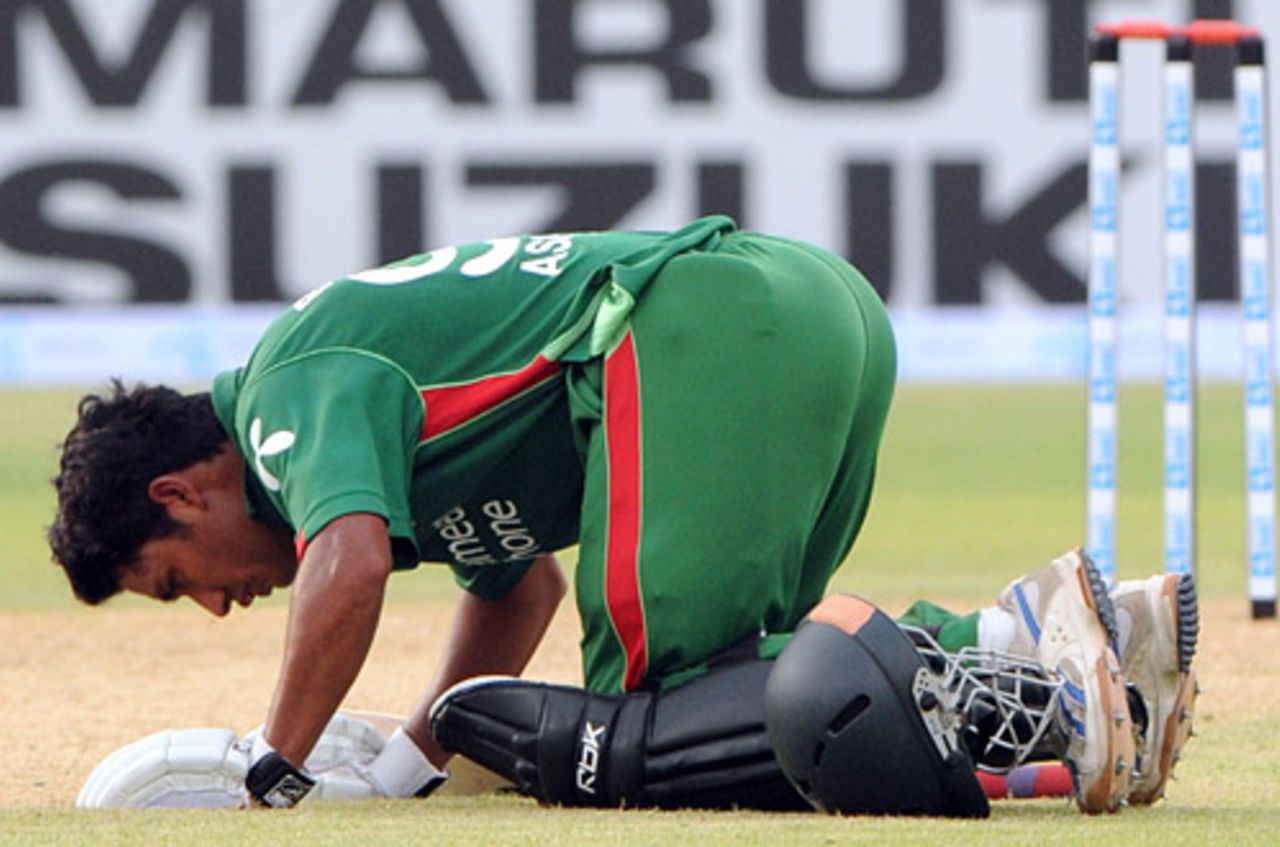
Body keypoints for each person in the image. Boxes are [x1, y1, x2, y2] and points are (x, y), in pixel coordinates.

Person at [48, 215, 1187, 815]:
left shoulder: (283, 394)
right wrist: (411, 762)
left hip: (699, 322)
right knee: (770, 682)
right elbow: (517, 584)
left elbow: (345, 564)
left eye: (176, 578)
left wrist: (273, 765)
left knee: (649, 718)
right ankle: (1061, 643)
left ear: (180, 493)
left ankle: (1030, 673)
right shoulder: (327, 400)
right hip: (810, 304)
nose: (216, 604)